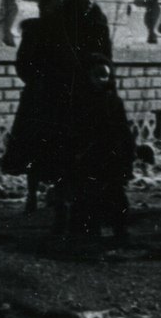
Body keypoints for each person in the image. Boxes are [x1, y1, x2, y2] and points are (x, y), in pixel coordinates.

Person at [1, 0, 74, 212]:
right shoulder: (33, 30)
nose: (56, 10)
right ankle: (31, 195)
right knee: (33, 148)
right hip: (39, 98)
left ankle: (59, 195)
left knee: (62, 148)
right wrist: (38, 80)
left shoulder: (72, 31)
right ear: (44, 7)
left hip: (64, 98)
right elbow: (23, 63)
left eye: (61, 5)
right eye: (52, 5)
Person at [53, 53, 136, 240]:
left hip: (110, 156)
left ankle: (119, 228)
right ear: (86, 76)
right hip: (88, 157)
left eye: (105, 75)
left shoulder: (113, 102)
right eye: (97, 75)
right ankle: (86, 230)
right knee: (86, 195)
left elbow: (123, 131)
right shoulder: (78, 102)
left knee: (115, 195)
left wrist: (127, 155)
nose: (102, 80)